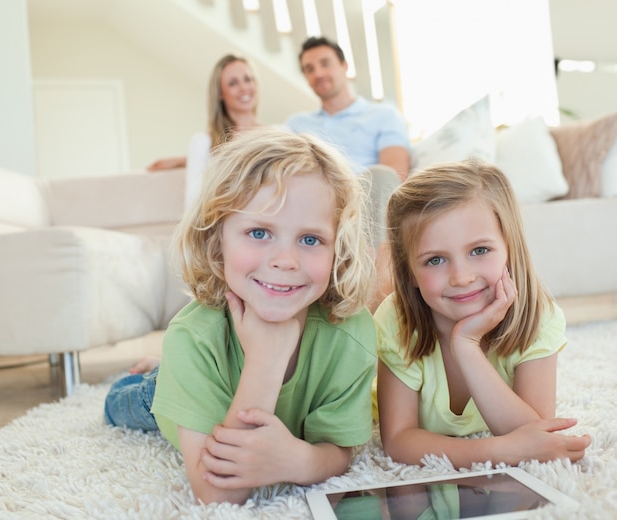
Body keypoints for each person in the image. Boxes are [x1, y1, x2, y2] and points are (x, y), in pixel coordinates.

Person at [104, 127, 378, 505]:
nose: (285, 260)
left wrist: (302, 461)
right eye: (259, 232)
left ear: (339, 249)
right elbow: (218, 493)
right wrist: (266, 360)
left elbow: (340, 448)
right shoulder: (194, 337)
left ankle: (169, 370)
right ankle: (161, 374)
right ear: (217, 241)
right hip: (163, 390)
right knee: (120, 402)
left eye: (310, 239)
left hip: (205, 369)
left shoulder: (350, 333)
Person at [375, 159, 591, 469]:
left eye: (479, 251)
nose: (461, 277)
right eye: (435, 260)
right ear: (409, 271)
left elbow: (536, 434)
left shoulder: (538, 316)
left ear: (509, 246)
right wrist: (499, 451)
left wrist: (466, 345)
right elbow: (398, 440)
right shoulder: (397, 321)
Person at [287, 36, 411, 311]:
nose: (318, 73)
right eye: (309, 69)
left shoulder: (382, 115)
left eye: (324, 64)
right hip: (315, 200)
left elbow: (395, 171)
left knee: (381, 174)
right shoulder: (297, 125)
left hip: (365, 198)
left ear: (344, 66)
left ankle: (379, 285)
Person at [147, 54, 262, 208]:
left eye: (248, 79)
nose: (243, 88)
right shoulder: (203, 143)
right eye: (233, 83)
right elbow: (193, 205)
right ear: (220, 93)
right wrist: (194, 157)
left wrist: (183, 160)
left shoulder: (279, 134)